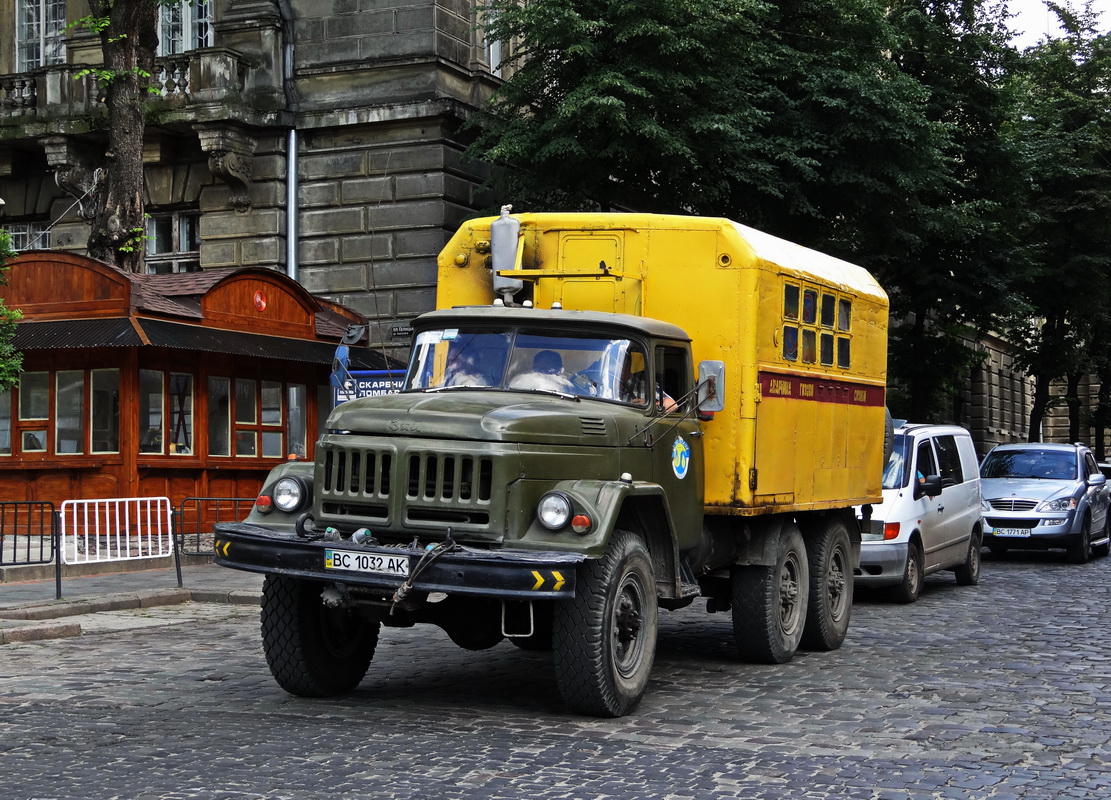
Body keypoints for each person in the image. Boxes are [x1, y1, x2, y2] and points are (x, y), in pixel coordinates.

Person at [509, 350, 574, 392]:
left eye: (554, 367)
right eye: (543, 368)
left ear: (560, 369)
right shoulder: (522, 380)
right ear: (535, 366)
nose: (548, 372)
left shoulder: (567, 385)